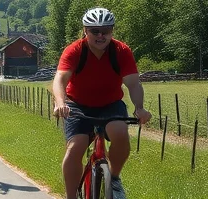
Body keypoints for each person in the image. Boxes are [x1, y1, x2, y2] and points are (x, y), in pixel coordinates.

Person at [50, 7, 151, 199]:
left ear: (112, 31)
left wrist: (139, 108)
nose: (100, 35)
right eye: (94, 31)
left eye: (106, 31)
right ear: (85, 31)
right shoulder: (75, 51)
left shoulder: (121, 51)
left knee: (120, 132)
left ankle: (113, 178)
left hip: (110, 104)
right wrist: (60, 102)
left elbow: (133, 83)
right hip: (77, 104)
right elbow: (60, 79)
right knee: (75, 148)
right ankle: (71, 196)